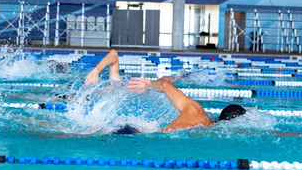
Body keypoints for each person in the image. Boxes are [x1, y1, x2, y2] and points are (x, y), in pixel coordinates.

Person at [85, 50, 246, 133]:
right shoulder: (209, 132)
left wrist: (149, 83)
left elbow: (163, 84)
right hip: (134, 133)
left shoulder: (195, 109)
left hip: (132, 127)